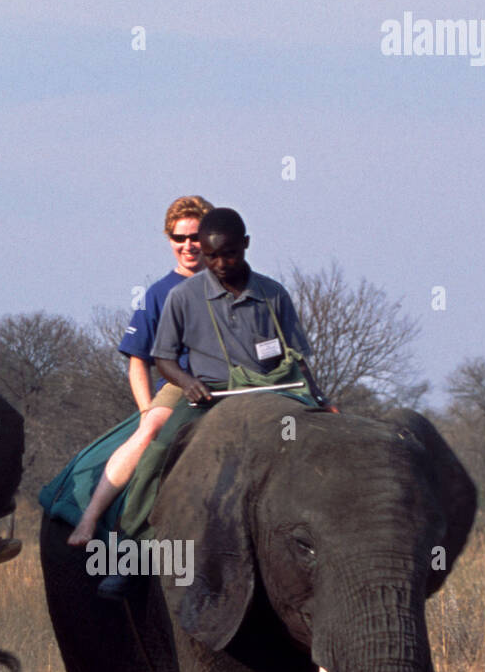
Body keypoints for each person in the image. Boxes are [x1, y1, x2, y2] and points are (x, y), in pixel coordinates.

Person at [97, 206, 320, 597]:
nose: (220, 263)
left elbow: (298, 357)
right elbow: (163, 358)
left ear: (246, 245)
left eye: (229, 254)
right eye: (212, 255)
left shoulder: (273, 294)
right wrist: (187, 383)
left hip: (273, 392)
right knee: (156, 450)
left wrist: (320, 399)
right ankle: (126, 554)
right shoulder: (182, 297)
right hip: (210, 396)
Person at [67, 195, 212, 546]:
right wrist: (147, 409)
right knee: (149, 432)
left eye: (195, 237)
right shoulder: (159, 294)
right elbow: (137, 360)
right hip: (181, 384)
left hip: (232, 382)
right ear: (169, 241)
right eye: (180, 239)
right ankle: (90, 521)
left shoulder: (229, 283)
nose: (189, 246)